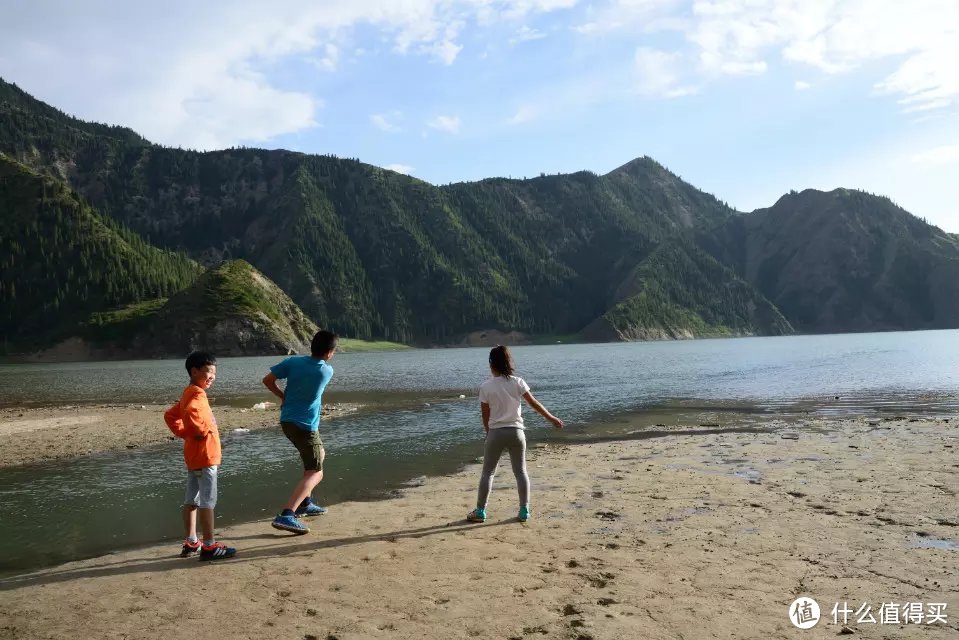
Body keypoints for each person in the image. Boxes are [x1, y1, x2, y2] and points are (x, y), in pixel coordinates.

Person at [467, 345, 563, 524]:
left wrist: (488, 433)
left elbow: (485, 414)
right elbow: (534, 403)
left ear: (491, 364)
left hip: (496, 432)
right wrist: (552, 418)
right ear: (508, 362)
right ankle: (524, 510)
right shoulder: (518, 382)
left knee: (487, 473)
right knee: (520, 472)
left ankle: (480, 511)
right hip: (517, 432)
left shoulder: (486, 386)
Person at [164, 351, 237, 561]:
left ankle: (192, 540)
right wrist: (199, 432)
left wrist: (183, 433)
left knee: (192, 500)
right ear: (194, 371)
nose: (212, 377)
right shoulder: (196, 394)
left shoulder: (188, 392)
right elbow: (192, 418)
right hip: (206, 456)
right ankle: (209, 546)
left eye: (214, 373)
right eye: (208, 373)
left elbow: (170, 415)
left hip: (195, 457)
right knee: (207, 501)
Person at [263, 330, 337, 534]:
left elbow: (267, 380)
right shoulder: (326, 371)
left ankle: (306, 503)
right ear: (330, 353)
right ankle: (287, 514)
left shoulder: (293, 362)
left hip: (287, 421)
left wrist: (282, 396)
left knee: (319, 455)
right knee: (316, 472)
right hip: (306, 426)